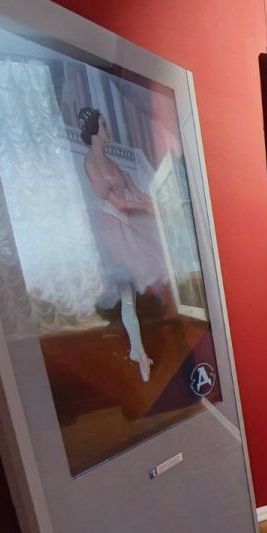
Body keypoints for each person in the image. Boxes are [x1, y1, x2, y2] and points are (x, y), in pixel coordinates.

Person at [80, 107, 167, 383]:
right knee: (127, 294)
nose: (108, 128)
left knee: (135, 293)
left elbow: (134, 190)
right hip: (113, 231)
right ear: (94, 129)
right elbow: (117, 203)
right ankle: (138, 353)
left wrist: (154, 203)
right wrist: (145, 206)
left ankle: (138, 351)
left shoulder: (112, 163)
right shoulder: (91, 162)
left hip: (127, 226)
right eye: (104, 124)